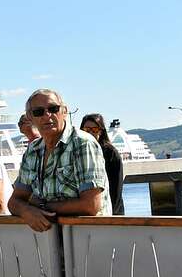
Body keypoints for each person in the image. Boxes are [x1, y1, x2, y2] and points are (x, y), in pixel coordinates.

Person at [8, 89, 111, 232]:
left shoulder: (83, 144)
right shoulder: (33, 150)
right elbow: (14, 202)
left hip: (90, 240)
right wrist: (26, 211)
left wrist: (41, 206)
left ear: (64, 111)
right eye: (39, 112)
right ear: (30, 117)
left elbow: (91, 205)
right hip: (50, 244)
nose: (47, 115)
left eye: (53, 109)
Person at [81, 113, 124, 215]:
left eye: (95, 130)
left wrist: (112, 217)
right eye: (87, 130)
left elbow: (116, 188)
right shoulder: (78, 152)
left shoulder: (110, 153)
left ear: (101, 131)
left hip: (110, 212)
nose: (90, 133)